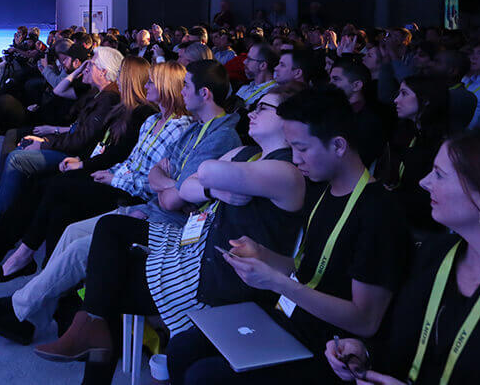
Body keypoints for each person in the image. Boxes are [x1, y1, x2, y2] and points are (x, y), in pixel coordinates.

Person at [31, 85, 307, 384]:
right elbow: (186, 186)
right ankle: (90, 328)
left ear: (290, 120)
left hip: (214, 281)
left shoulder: (286, 171)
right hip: (193, 251)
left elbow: (205, 171)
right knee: (111, 230)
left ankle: (89, 335)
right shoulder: (248, 153)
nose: (252, 112)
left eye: (263, 108)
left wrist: (203, 182)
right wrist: (212, 189)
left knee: (106, 288)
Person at [168, 87, 411, 384]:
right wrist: (262, 255)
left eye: (302, 148)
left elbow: (365, 320)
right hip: (291, 322)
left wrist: (275, 282)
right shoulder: (323, 191)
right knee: (183, 346)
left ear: (338, 145)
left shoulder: (378, 213)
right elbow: (307, 268)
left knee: (205, 376)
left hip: (330, 349)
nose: (296, 159)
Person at [0, 61, 195, 344]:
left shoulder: (173, 127)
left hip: (133, 196)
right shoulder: (148, 119)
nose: (146, 85)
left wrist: (106, 174)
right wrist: (106, 171)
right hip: (116, 179)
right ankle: (33, 302)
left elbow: (153, 179)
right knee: (58, 203)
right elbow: (129, 162)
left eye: (152, 82)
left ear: (166, 87)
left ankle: (21, 270)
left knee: (53, 187)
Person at [326, 131, 480, 385]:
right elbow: (406, 345)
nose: (424, 182)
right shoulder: (435, 253)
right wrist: (365, 355)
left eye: (439, 174)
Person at [0, 56, 157, 280]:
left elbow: (115, 153)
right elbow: (94, 141)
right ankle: (1, 246)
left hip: (109, 176)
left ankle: (14, 253)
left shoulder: (135, 111)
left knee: (47, 185)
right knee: (40, 185)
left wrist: (80, 162)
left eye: (121, 74)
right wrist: (77, 157)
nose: (118, 78)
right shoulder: (120, 106)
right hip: (94, 164)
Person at [0, 46, 124, 235]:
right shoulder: (96, 92)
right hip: (69, 144)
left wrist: (44, 142)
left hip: (75, 156)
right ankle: (4, 211)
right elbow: (66, 109)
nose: (87, 67)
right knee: (21, 143)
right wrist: (45, 139)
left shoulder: (107, 99)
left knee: (16, 158)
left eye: (91, 64)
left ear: (103, 71)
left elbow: (80, 140)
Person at [0, 42, 90, 200]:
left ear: (77, 62)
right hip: (36, 116)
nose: (62, 63)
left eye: (65, 60)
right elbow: (52, 95)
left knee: (6, 101)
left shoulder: (80, 86)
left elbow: (58, 91)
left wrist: (74, 71)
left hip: (43, 125)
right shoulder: (64, 74)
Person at [378, 76, 451, 234]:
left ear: (426, 100)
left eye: (404, 94)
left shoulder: (442, 144)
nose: (396, 100)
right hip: (394, 216)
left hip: (421, 225)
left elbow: (427, 194)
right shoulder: (403, 131)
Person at [328, 59, 392, 168]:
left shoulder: (370, 121)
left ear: (356, 85)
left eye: (336, 79)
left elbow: (360, 161)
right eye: (330, 79)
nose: (330, 84)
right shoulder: (337, 112)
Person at [235, 43, 279, 107]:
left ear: (263, 65)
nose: (244, 62)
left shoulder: (271, 94)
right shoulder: (245, 87)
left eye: (249, 59)